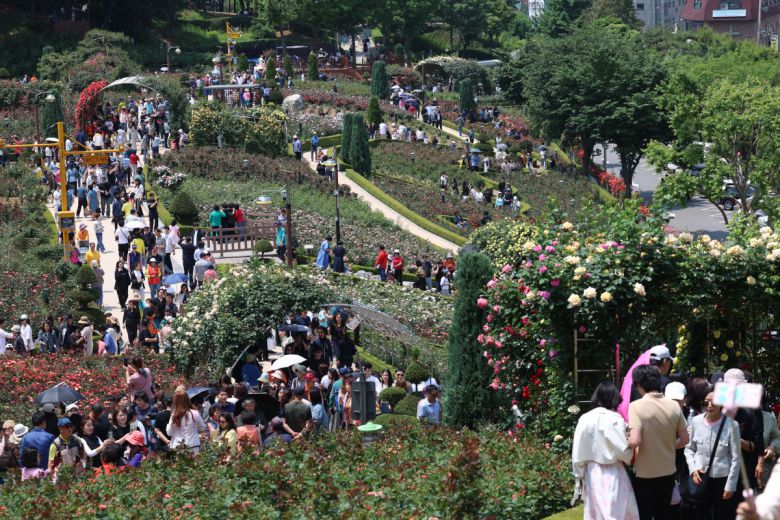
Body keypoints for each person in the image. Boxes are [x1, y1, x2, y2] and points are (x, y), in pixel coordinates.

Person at [628, 364, 689, 520]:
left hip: (644, 473)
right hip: (668, 470)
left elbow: (635, 441)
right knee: (664, 514)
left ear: (638, 384)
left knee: (645, 514)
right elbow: (685, 439)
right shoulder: (674, 406)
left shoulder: (635, 406)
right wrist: (669, 445)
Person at [572, 381, 639, 519]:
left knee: (596, 513)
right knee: (616, 511)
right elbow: (623, 450)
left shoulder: (584, 418)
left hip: (591, 471)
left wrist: (579, 475)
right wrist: (631, 455)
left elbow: (577, 452)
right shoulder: (613, 419)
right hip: (613, 471)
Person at [684, 390, 741, 519]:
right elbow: (689, 449)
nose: (709, 406)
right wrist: (693, 469)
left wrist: (730, 485)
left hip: (722, 479)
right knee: (701, 514)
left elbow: (735, 458)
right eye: (706, 402)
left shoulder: (732, 425)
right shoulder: (696, 421)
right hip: (700, 478)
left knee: (721, 514)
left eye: (714, 402)